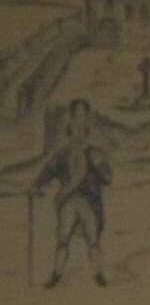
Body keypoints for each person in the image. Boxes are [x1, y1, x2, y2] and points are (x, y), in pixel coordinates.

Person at [30, 98, 112, 288]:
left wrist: (99, 166)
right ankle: (57, 273)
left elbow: (107, 177)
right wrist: (35, 185)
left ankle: (98, 273)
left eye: (83, 118)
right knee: (63, 237)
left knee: (93, 238)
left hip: (90, 201)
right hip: (68, 200)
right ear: (71, 122)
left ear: (87, 123)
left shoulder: (94, 153)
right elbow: (48, 172)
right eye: (76, 117)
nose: (79, 124)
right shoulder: (63, 154)